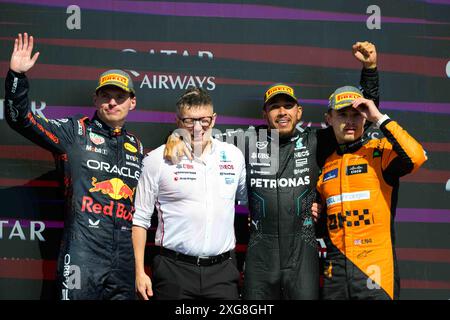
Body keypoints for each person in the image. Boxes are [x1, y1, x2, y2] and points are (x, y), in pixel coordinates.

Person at [163, 41, 380, 299]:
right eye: (274, 106)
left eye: (288, 106)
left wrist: (370, 70)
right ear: (265, 113)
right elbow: (202, 133)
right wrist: (176, 135)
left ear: (299, 112)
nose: (282, 112)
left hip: (303, 257)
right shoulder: (246, 140)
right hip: (260, 259)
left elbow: (364, 116)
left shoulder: (317, 140)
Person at [4, 33, 144, 300]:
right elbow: (20, 119)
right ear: (96, 100)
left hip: (123, 260)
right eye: (106, 96)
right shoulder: (74, 132)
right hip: (82, 253)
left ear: (132, 102)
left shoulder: (136, 146)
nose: (112, 102)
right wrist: (17, 77)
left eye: (120, 96)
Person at [132, 87, 247, 300]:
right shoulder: (157, 160)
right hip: (174, 271)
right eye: (189, 121)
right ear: (178, 121)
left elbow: (252, 199)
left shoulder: (233, 156)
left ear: (213, 120)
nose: (196, 128)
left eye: (203, 121)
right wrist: (139, 271)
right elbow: (140, 219)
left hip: (222, 271)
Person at [316, 86, 427, 300]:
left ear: (365, 118)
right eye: (342, 114)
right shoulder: (326, 164)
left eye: (356, 114)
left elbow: (416, 157)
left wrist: (378, 117)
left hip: (375, 271)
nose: (350, 121)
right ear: (329, 118)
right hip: (335, 273)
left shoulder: (380, 152)